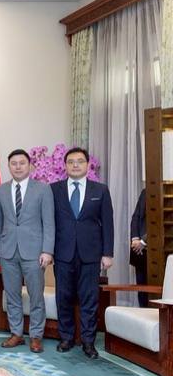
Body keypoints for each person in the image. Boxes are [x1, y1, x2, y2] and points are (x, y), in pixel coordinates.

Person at [50, 147, 114, 359]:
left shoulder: (100, 190)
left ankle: (88, 342)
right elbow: (49, 222)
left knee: (90, 299)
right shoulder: (54, 189)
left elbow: (108, 223)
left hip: (91, 254)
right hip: (63, 252)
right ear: (65, 166)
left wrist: (107, 253)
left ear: (88, 165)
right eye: (71, 162)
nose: (75, 165)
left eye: (79, 161)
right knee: (63, 297)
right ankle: (66, 338)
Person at [0, 149, 54, 353]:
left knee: (36, 296)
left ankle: (36, 336)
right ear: (9, 166)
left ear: (30, 166)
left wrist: (47, 251)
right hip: (7, 251)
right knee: (12, 295)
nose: (18, 167)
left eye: (22, 163)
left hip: (34, 252)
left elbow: (49, 223)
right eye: (14, 163)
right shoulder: (0, 190)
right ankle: (16, 334)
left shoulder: (43, 189)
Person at [130, 188, 148, 307]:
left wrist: (143, 241)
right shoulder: (145, 192)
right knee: (141, 290)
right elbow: (135, 217)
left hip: (157, 251)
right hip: (139, 252)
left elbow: (160, 221)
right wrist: (135, 239)